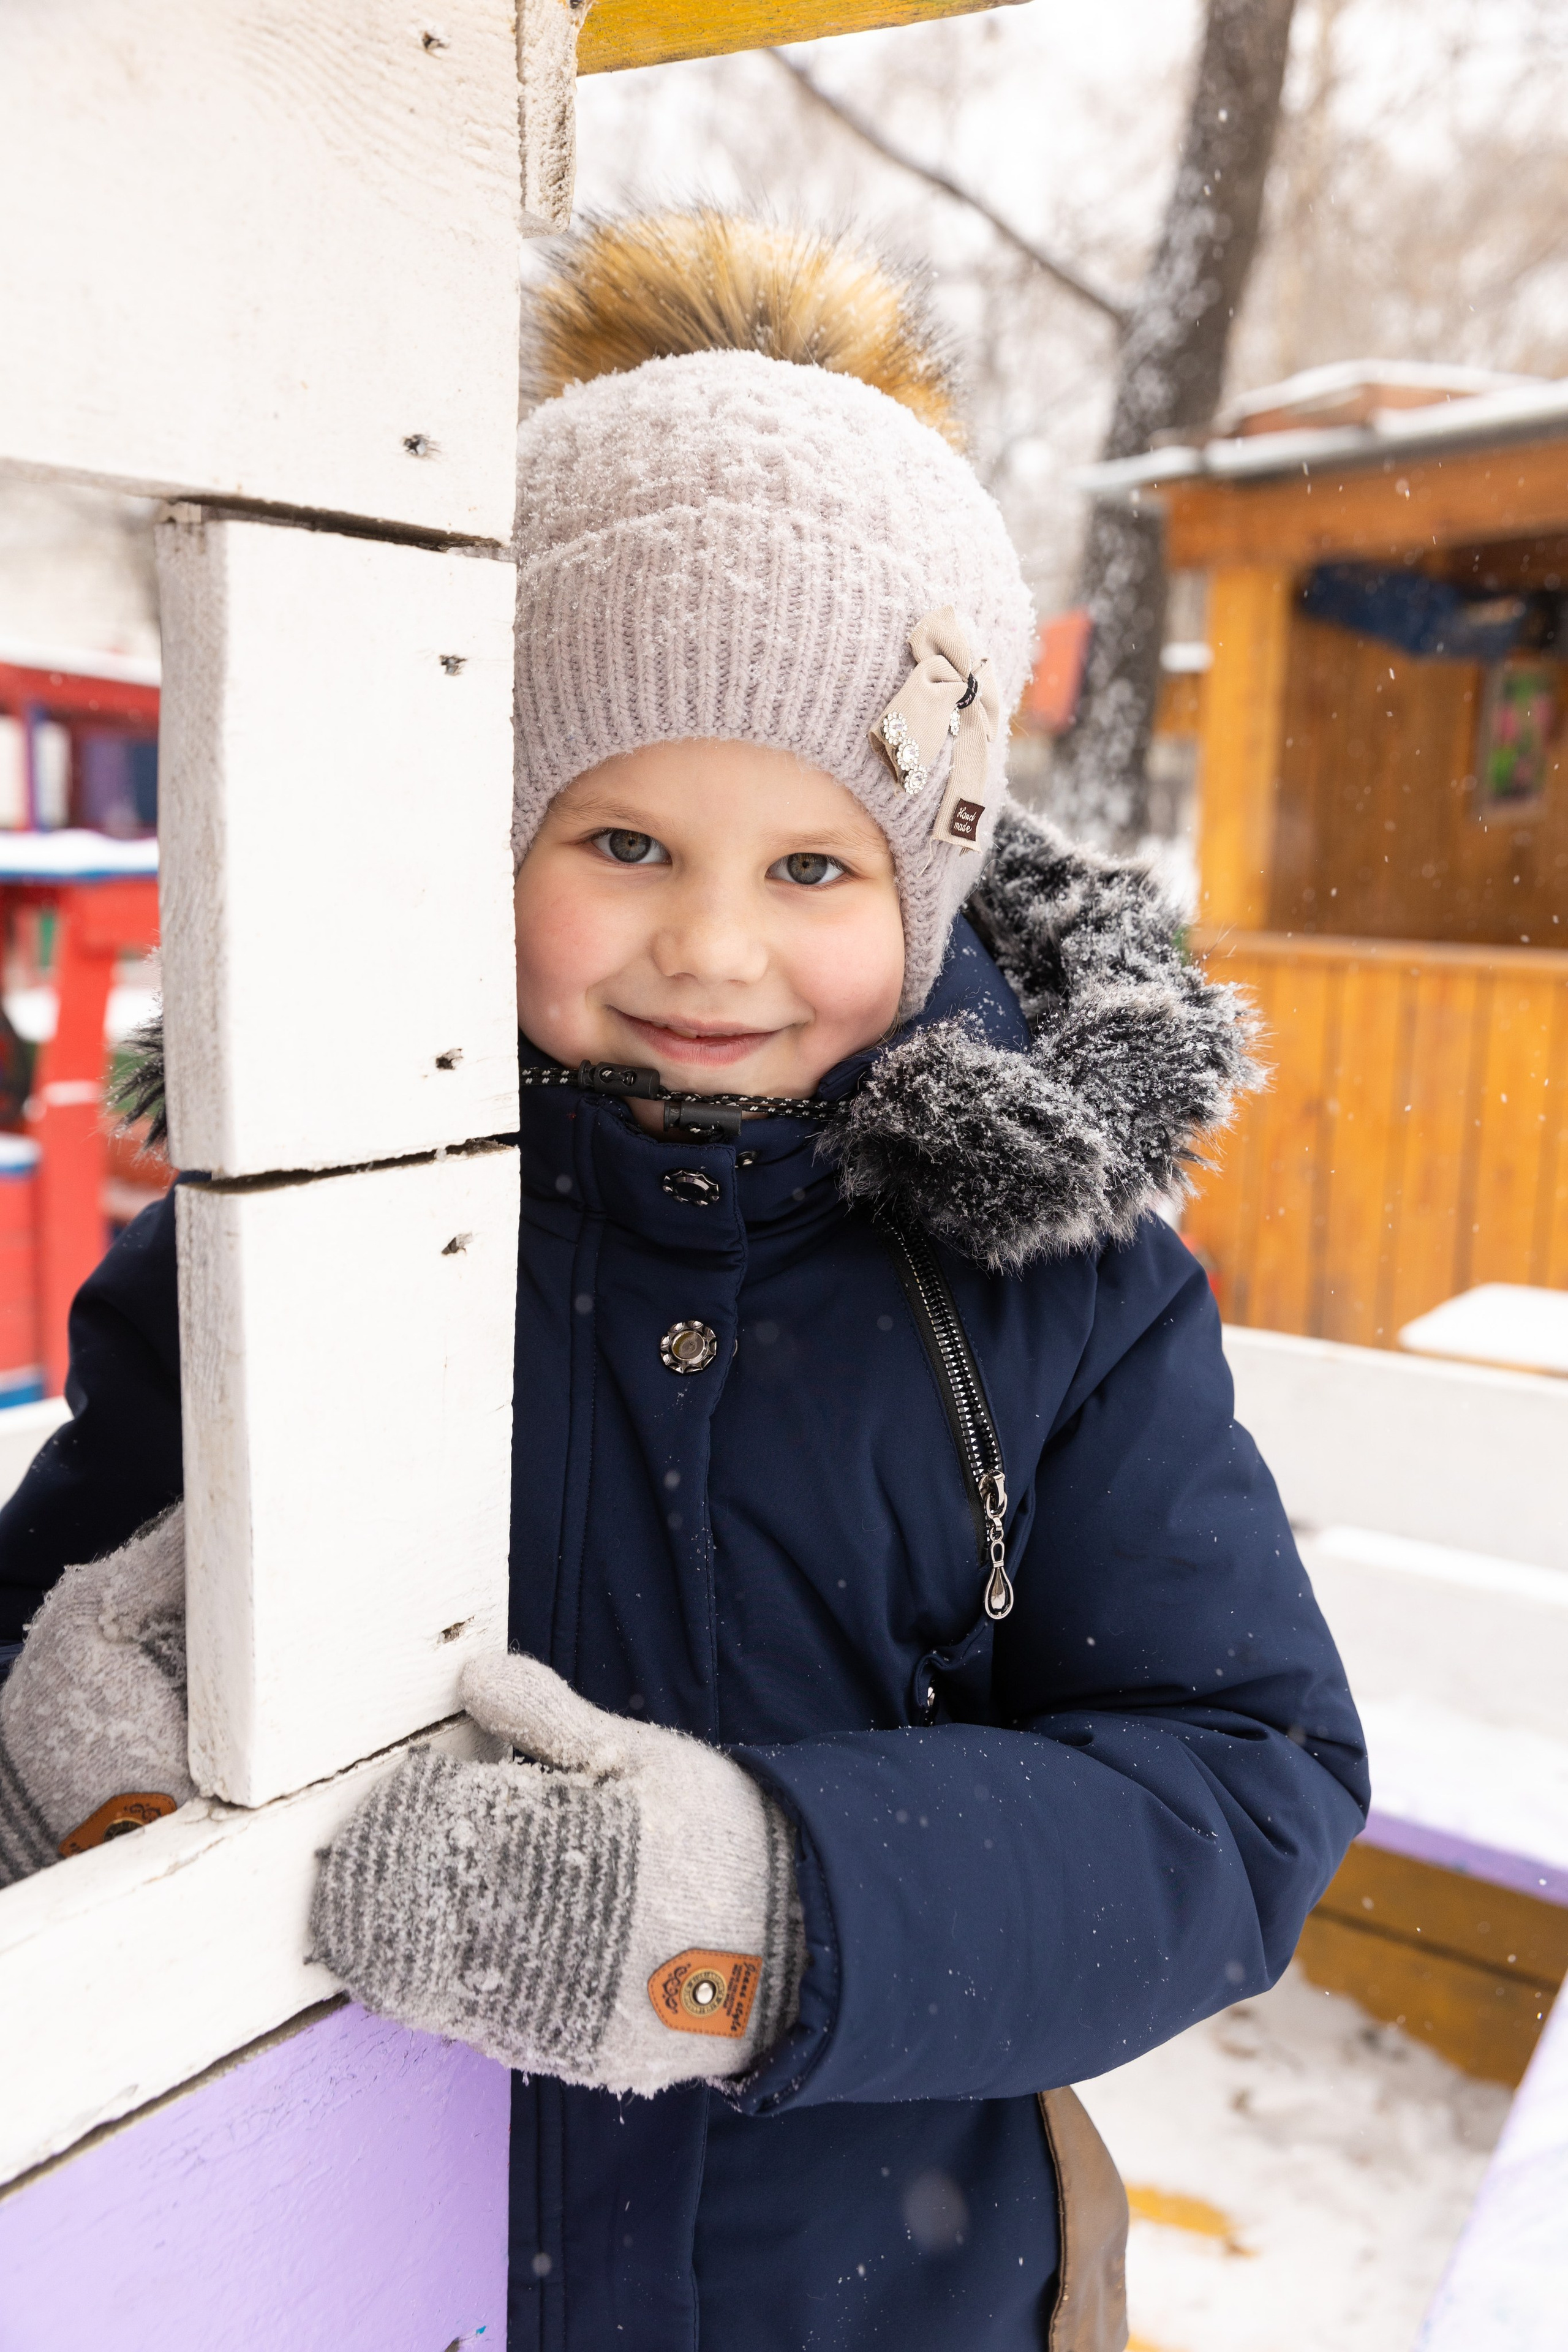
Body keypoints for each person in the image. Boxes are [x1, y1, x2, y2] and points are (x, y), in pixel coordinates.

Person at [0, 214, 1366, 2352]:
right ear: (481, 828)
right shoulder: (283, 1250)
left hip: (869, 2293)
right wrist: (64, 1763)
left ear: (927, 886)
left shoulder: (1050, 1293)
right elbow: (55, 1617)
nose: (715, 952)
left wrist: (761, 1912)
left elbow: (1234, 1789)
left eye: (813, 866)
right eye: (624, 843)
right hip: (373, 2266)